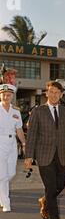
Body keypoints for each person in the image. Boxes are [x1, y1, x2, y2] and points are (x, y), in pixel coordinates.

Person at [24, 81, 65, 219]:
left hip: (61, 154)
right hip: (44, 155)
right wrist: (29, 156)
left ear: (61, 95)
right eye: (52, 92)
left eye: (58, 92)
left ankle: (45, 200)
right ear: (46, 93)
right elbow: (31, 135)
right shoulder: (38, 111)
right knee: (50, 187)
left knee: (61, 185)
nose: (54, 95)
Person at [0, 84, 26, 212]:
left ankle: (1, 191)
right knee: (3, 175)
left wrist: (24, 143)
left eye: (8, 95)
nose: (6, 96)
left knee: (11, 173)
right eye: (3, 94)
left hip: (12, 143)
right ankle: (6, 204)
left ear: (12, 96)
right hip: (0, 142)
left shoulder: (16, 111)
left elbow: (19, 129)